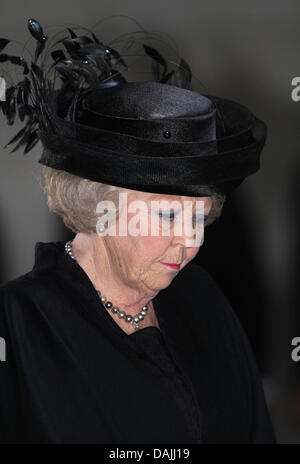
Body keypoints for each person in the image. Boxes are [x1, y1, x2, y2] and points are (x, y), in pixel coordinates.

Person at [0, 17, 276, 443]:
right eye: (168, 216)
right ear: (100, 207)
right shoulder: (21, 320)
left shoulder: (202, 297)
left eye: (199, 218)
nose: (191, 241)